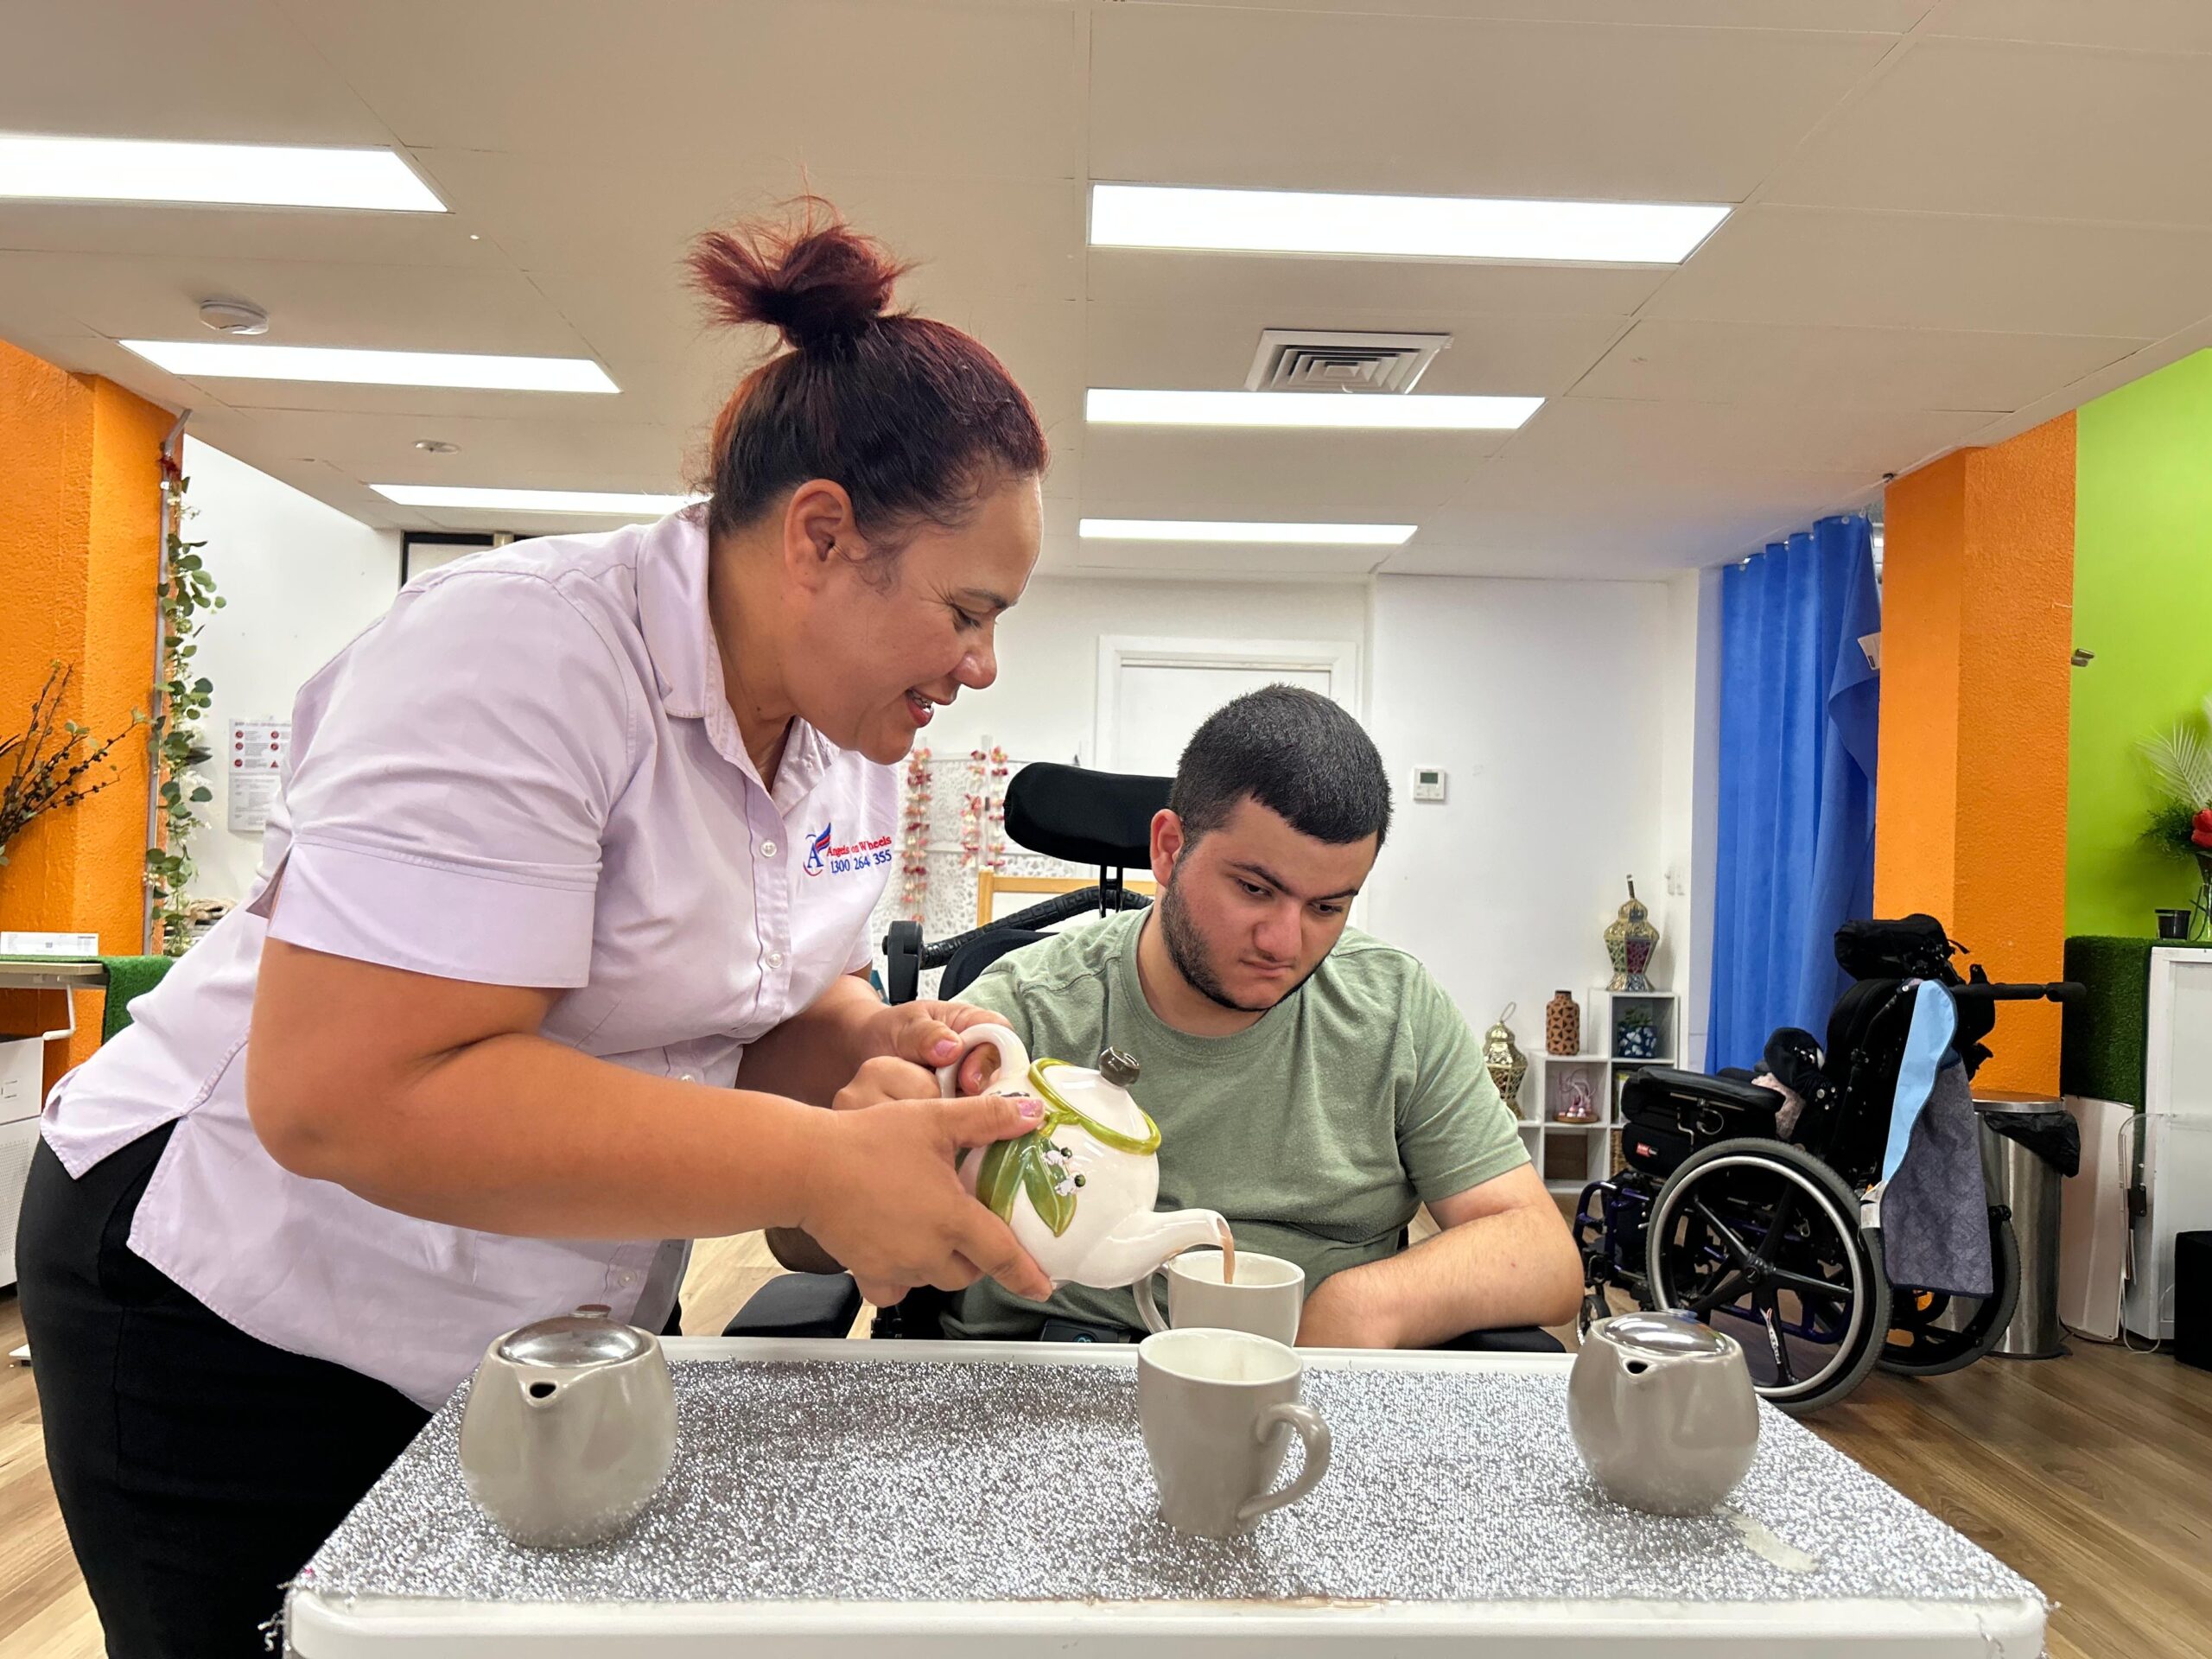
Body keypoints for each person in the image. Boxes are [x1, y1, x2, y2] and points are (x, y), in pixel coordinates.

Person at [17, 200, 1055, 1656]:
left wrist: (878, 1048)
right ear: (822, 535)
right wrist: (826, 1161)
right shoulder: (519, 656)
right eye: (967, 608)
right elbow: (343, 1096)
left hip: (527, 1319)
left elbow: (734, 1014)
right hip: (240, 1285)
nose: (982, 663)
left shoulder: (849, 739)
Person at [938, 685, 1584, 1345]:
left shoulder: (1394, 1010)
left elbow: (1542, 1253)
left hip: (1308, 1380)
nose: (1284, 943)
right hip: (1060, 1375)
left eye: (1327, 908)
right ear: (1168, 849)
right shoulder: (1025, 1010)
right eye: (1254, 889)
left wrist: (1361, 1307)